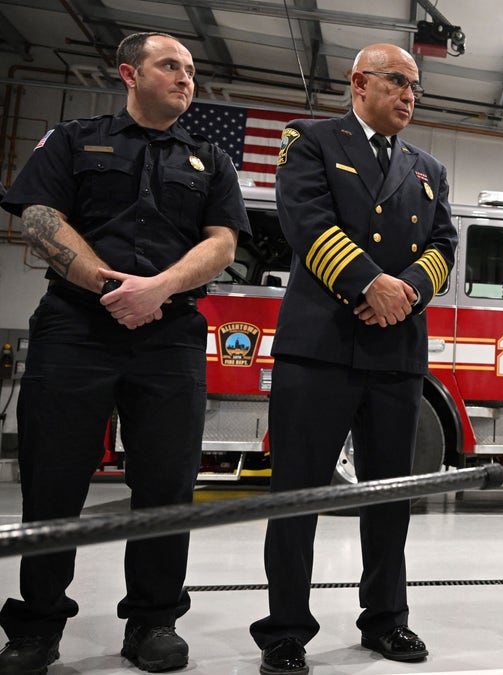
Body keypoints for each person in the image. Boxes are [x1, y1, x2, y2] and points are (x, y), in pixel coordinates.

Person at [0, 31, 248, 673]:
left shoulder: (210, 160)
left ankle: (154, 622)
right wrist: (111, 287)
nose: (185, 78)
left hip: (170, 334)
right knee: (53, 479)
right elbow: (36, 217)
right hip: (76, 326)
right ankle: (36, 627)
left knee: (166, 485)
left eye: (191, 70)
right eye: (170, 66)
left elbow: (223, 243)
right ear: (129, 73)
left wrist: (158, 288)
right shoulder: (74, 139)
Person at [247, 43, 456, 675]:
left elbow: (444, 245)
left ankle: (386, 620)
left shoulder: (428, 168)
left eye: (416, 87)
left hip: (395, 352)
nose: (410, 95)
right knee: (297, 498)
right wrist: (371, 283)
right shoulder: (310, 140)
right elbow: (305, 222)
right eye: (399, 82)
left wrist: (409, 291)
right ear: (359, 81)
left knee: (390, 497)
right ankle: (285, 631)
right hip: (322, 347)